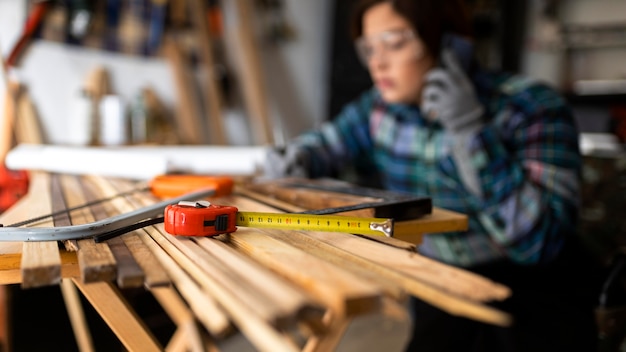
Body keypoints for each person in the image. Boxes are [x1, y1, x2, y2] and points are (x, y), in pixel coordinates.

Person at [265, 0, 601, 351]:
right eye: (369, 48)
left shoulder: (532, 107)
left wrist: (470, 132)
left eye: (394, 43)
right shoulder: (380, 109)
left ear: (449, 43)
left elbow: (538, 244)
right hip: (442, 283)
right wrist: (299, 156)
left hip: (536, 291)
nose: (378, 62)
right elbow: (327, 144)